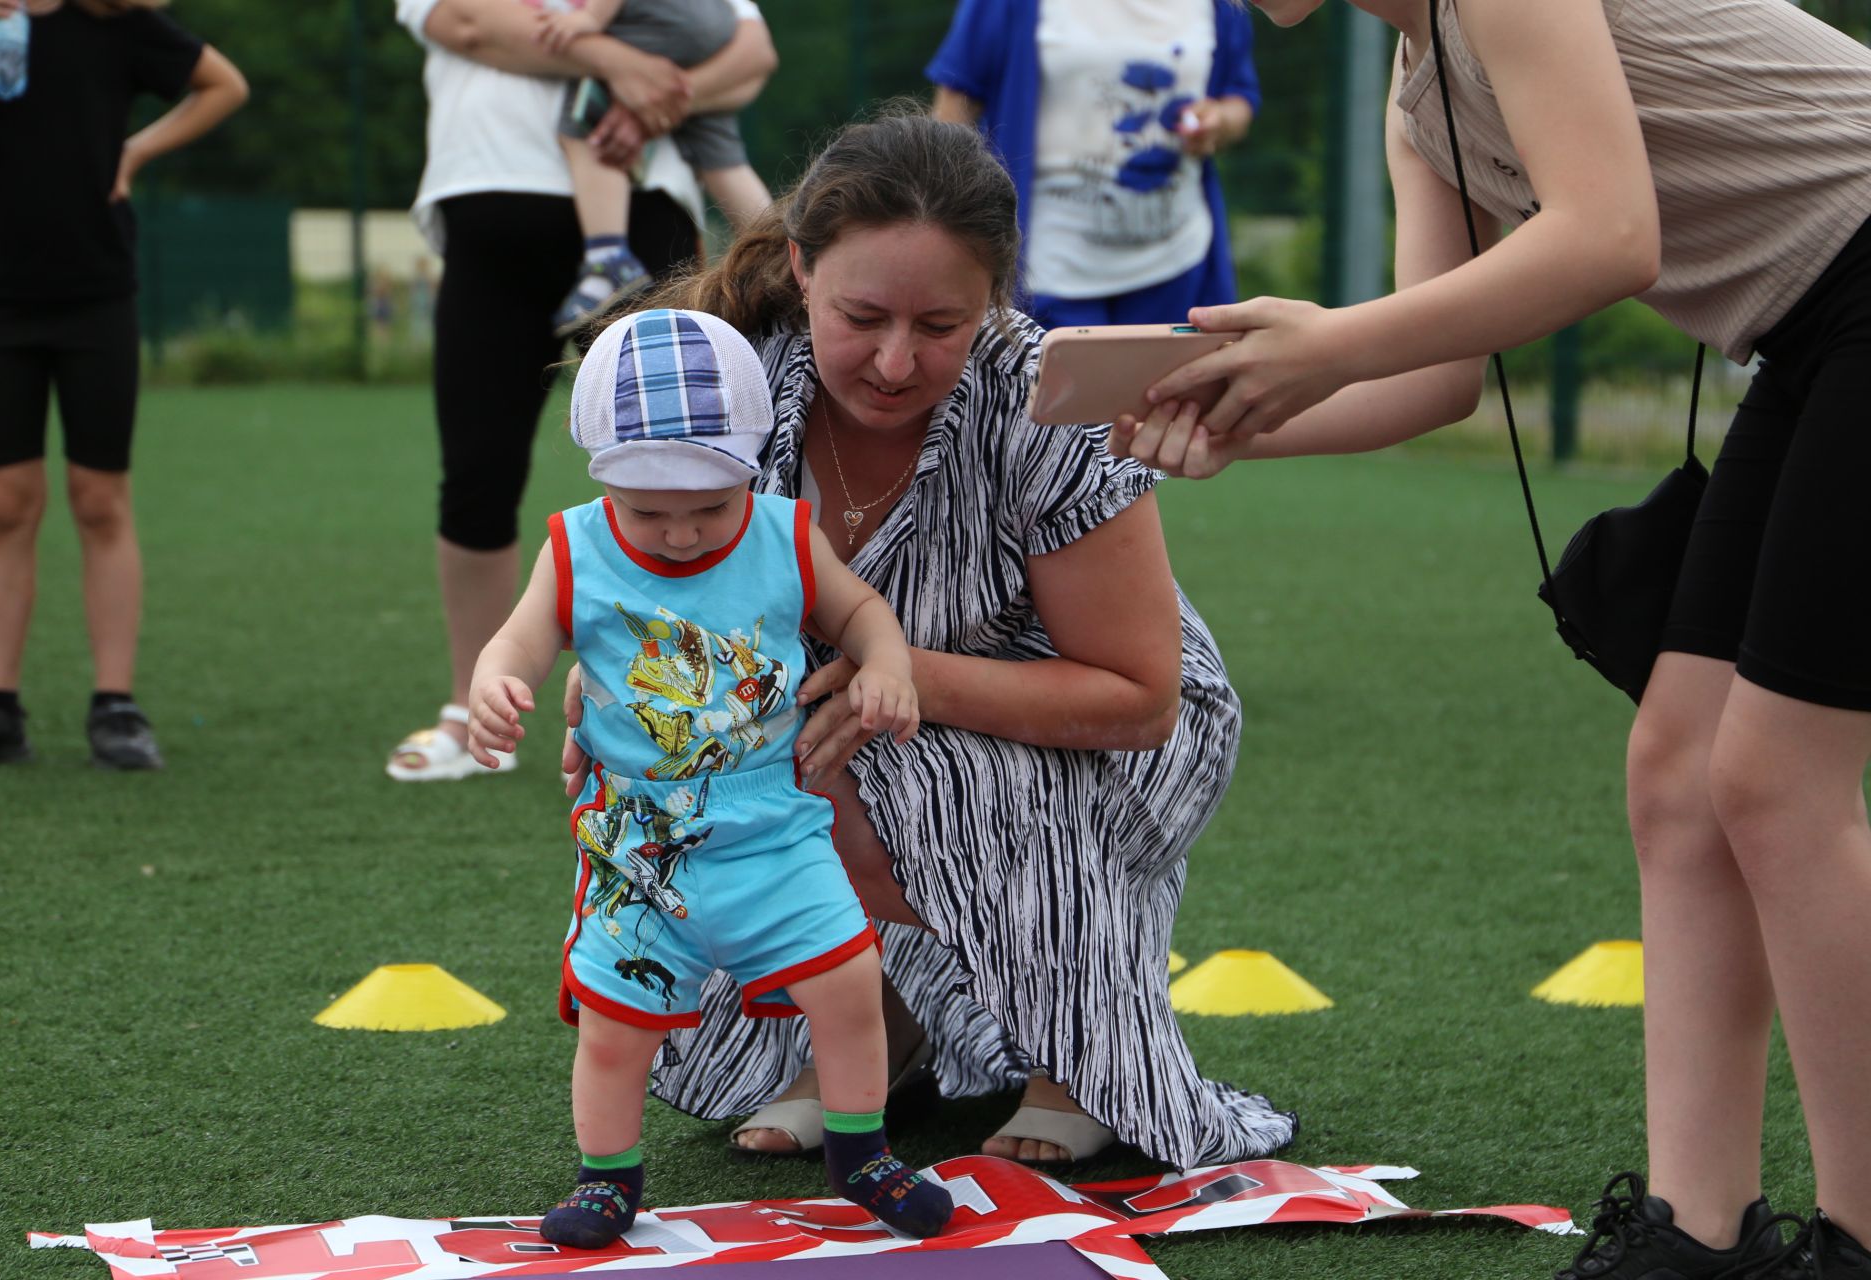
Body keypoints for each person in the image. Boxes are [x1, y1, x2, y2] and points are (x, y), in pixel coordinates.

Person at [1112, 0, 1871, 1274]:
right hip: (1811, 328)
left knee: (1774, 781)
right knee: (1680, 779)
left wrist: (1325, 341)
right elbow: (1435, 376)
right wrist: (1222, 414)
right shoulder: (1423, 92)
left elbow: (1609, 236)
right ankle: (1691, 1235)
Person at [563, 112, 1298, 1170]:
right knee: (688, 768)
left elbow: (1139, 698)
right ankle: (877, 1017)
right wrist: (617, 693)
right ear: (804, 270)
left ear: (994, 302)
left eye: (941, 325)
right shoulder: (730, 389)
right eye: (862, 315)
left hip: (1107, 725)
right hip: (831, 700)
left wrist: (884, 678)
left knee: (903, 775)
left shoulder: (1048, 399)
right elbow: (648, 589)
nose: (897, 362)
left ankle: (1073, 1059)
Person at [467, 307, 954, 1247]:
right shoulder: (575, 546)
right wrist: (496, 680)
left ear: (751, 467)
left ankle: (863, 1150)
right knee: (613, 1025)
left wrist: (887, 664)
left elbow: (861, 613)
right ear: (600, 474)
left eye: (709, 508)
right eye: (649, 512)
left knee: (851, 983)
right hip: (639, 841)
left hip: (773, 825)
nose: (682, 535)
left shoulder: (783, 533)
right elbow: (522, 638)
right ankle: (608, 1176)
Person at [387, 0, 775, 783]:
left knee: (701, 465)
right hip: (491, 207)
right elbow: (468, 26)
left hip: (641, 211)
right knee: (478, 471)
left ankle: (721, 702)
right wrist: (619, 63)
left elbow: (751, 53)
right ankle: (473, 708)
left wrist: (650, 91)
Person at [0, 0, 247, 770]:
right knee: (8, 501)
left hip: (97, 299)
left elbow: (224, 84)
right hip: (1, 300)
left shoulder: (113, 19)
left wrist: (137, 151)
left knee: (98, 496)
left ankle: (114, 704)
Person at [927, 0, 1259, 329]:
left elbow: (1238, 97)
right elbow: (955, 107)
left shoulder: (1222, 6)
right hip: (1043, 270)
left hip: (1179, 264)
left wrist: (1219, 121)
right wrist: (946, 230)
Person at [534, 0, 773, 335]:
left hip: (660, 17)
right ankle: (784, 253)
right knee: (720, 155)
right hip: (711, 24)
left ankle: (608, 260)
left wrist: (590, 18)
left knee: (583, 125)